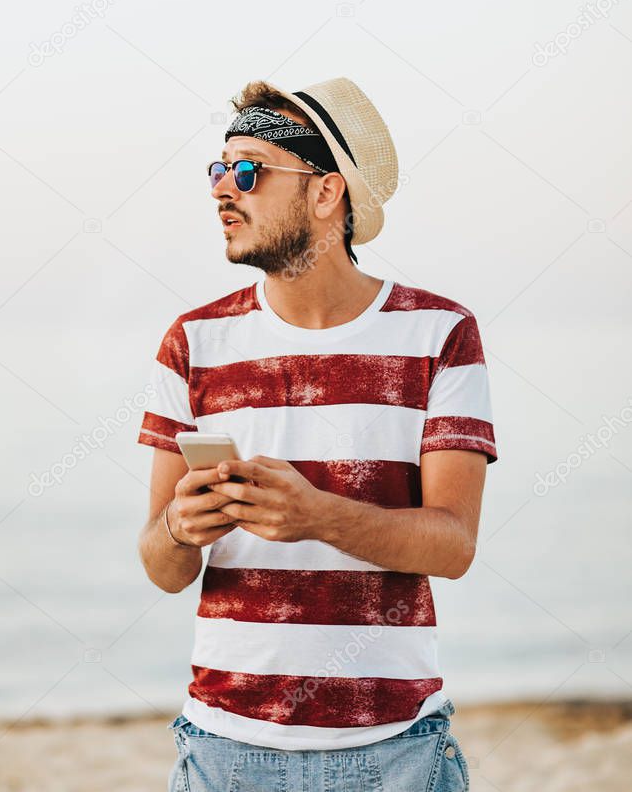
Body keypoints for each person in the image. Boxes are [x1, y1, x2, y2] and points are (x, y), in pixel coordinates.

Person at [137, 76, 497, 792]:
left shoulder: (441, 334)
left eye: (248, 171)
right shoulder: (192, 341)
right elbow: (161, 564)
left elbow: (453, 544)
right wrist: (181, 526)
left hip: (395, 753)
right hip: (222, 751)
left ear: (326, 192)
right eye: (218, 169)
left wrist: (316, 515)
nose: (221, 190)